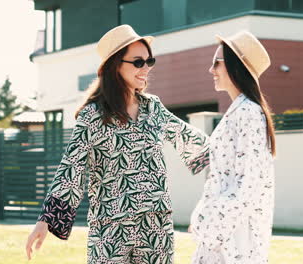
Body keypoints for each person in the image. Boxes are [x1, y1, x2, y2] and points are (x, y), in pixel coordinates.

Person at [25, 24, 210, 264]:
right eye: (138, 62)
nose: (145, 69)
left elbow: (192, 140)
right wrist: (44, 221)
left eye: (149, 61)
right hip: (110, 229)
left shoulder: (153, 107)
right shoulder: (92, 115)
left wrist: (240, 150)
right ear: (115, 65)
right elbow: (72, 169)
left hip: (155, 227)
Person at [190, 31, 276, 264]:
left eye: (216, 63)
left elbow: (248, 184)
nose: (211, 70)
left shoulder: (248, 112)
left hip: (234, 240)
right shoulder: (239, 111)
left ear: (237, 66)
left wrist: (210, 229)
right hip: (223, 236)